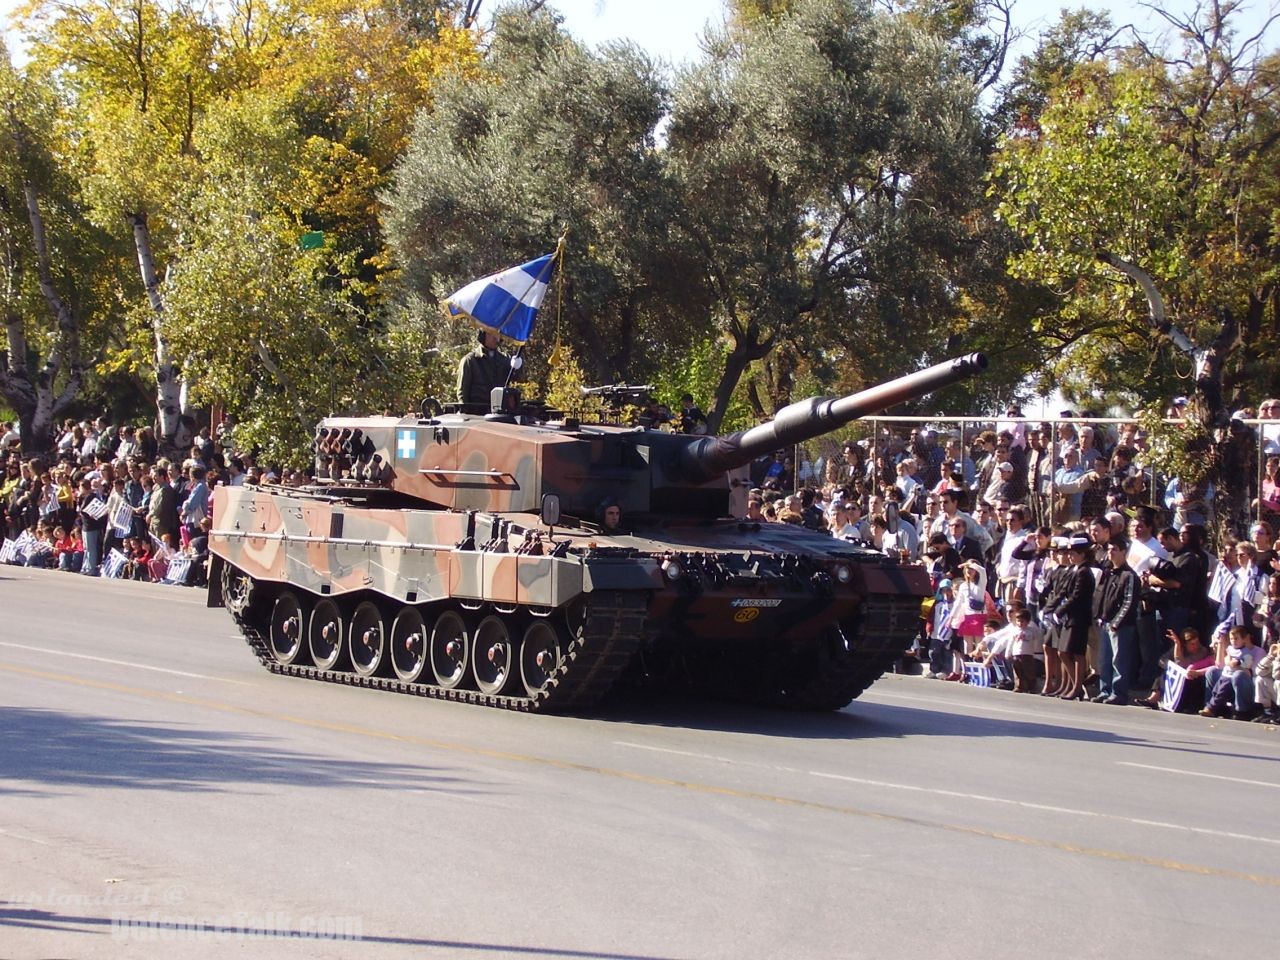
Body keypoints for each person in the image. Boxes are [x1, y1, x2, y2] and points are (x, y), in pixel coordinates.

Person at [457, 329, 514, 412]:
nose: (495, 337)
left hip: (498, 412)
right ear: (482, 335)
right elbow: (462, 393)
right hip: (476, 413)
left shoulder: (504, 360)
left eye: (497, 334)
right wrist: (465, 413)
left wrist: (517, 363)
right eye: (491, 334)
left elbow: (518, 378)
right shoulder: (470, 361)